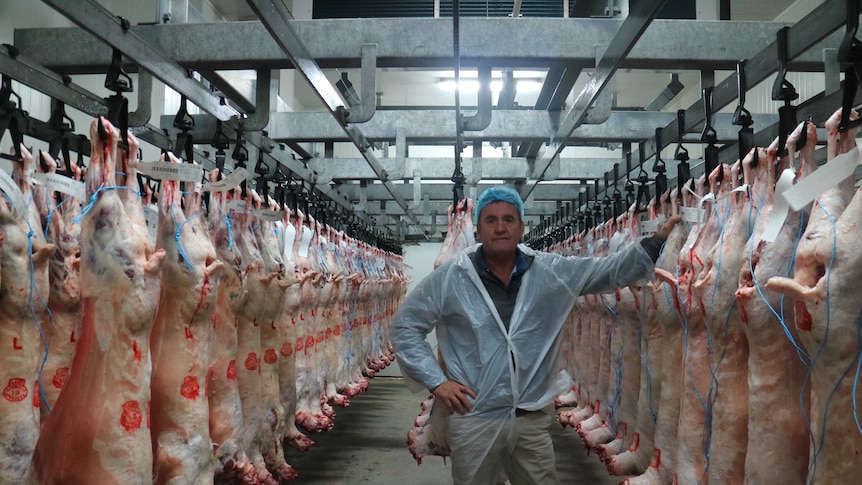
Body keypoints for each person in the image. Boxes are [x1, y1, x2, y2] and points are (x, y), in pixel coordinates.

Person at [390, 186, 681, 485]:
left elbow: (608, 271)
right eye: (490, 220)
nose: (500, 227)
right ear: (478, 229)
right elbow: (405, 326)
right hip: (475, 416)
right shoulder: (451, 277)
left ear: (521, 227)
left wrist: (656, 242)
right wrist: (437, 382)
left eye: (508, 219)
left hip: (530, 418)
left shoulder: (550, 271)